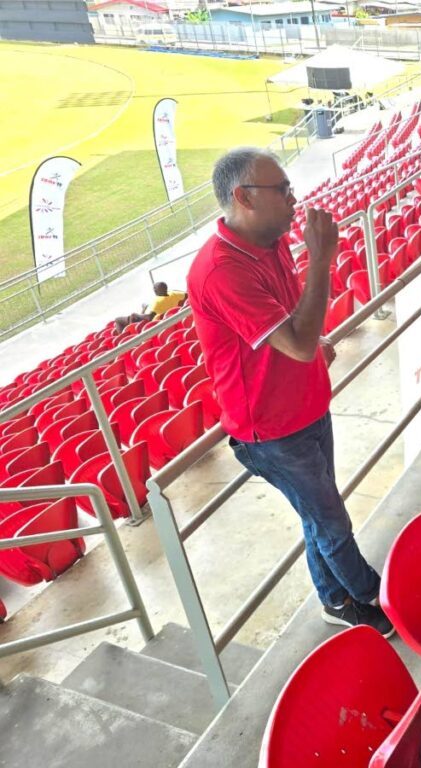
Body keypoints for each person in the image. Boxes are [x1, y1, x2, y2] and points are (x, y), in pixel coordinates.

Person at [186, 147, 392, 635]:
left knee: (319, 516)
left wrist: (311, 341)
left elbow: (291, 327)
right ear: (243, 197)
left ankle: (334, 599)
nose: (293, 199)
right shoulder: (220, 269)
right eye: (281, 190)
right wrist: (322, 257)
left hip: (307, 405)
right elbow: (297, 343)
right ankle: (376, 598)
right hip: (271, 431)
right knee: (332, 522)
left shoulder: (271, 239)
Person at [114, 282, 186, 332]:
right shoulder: (174, 293)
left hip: (155, 324)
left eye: (154, 289)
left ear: (155, 291)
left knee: (118, 319)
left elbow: (149, 317)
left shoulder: (157, 302)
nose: (154, 290)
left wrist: (137, 314)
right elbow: (187, 295)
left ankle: (123, 342)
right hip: (173, 316)